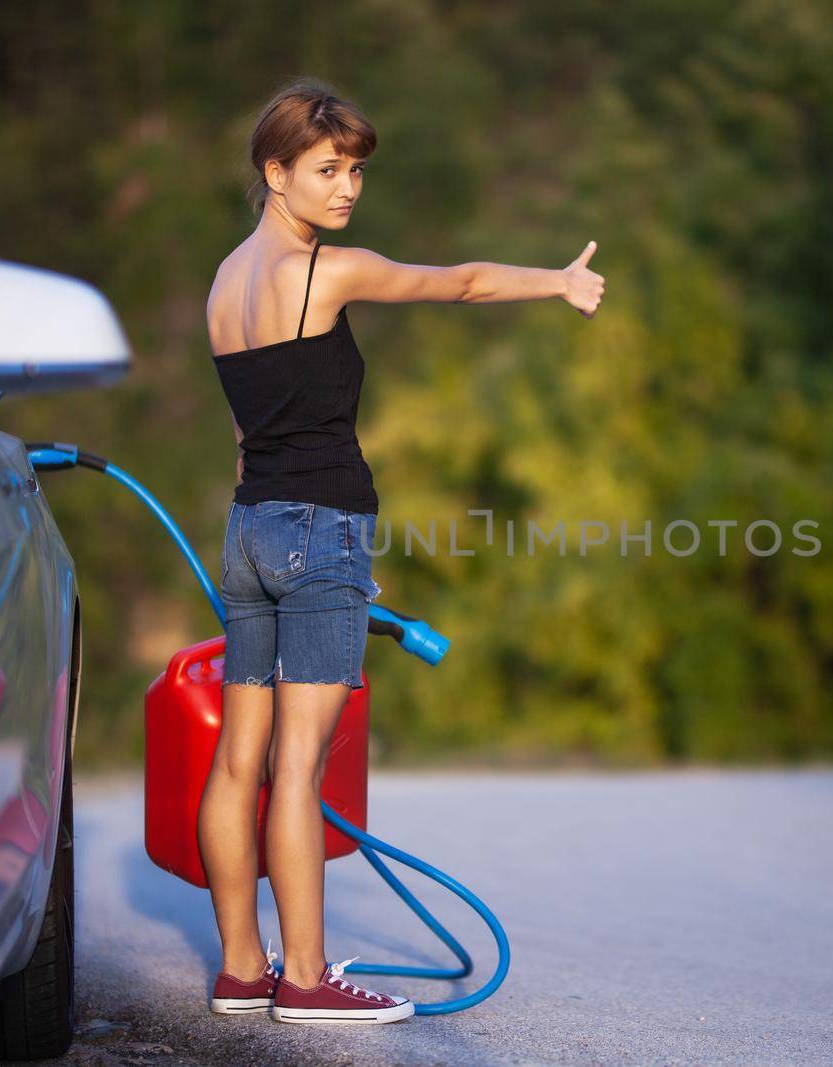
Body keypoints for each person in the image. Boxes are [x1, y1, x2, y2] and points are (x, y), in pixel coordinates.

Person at [196, 76, 604, 1025]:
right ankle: (305, 980)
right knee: (297, 769)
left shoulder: (222, 283)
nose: (346, 189)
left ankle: (241, 967)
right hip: (320, 527)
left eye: (356, 172)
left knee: (237, 763)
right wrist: (557, 280)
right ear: (276, 171)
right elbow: (459, 282)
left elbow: (246, 430)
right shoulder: (324, 273)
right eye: (327, 170)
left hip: (249, 529)